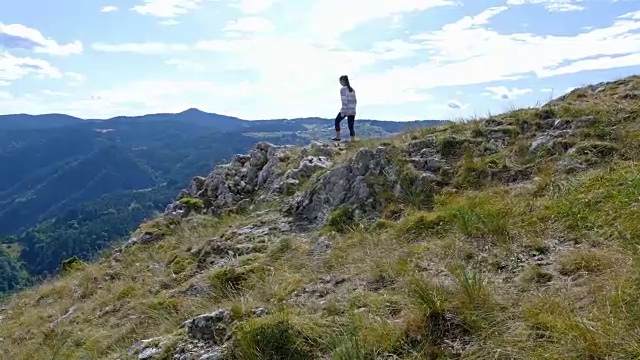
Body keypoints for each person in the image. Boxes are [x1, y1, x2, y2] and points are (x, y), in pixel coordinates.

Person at [332, 75, 357, 142]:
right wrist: (353, 109)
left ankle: (338, 137)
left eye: (340, 81)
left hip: (346, 109)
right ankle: (353, 140)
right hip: (352, 109)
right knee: (351, 126)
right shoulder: (352, 89)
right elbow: (355, 101)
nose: (340, 83)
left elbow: (344, 101)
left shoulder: (343, 89)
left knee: (337, 121)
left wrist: (343, 111)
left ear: (343, 81)